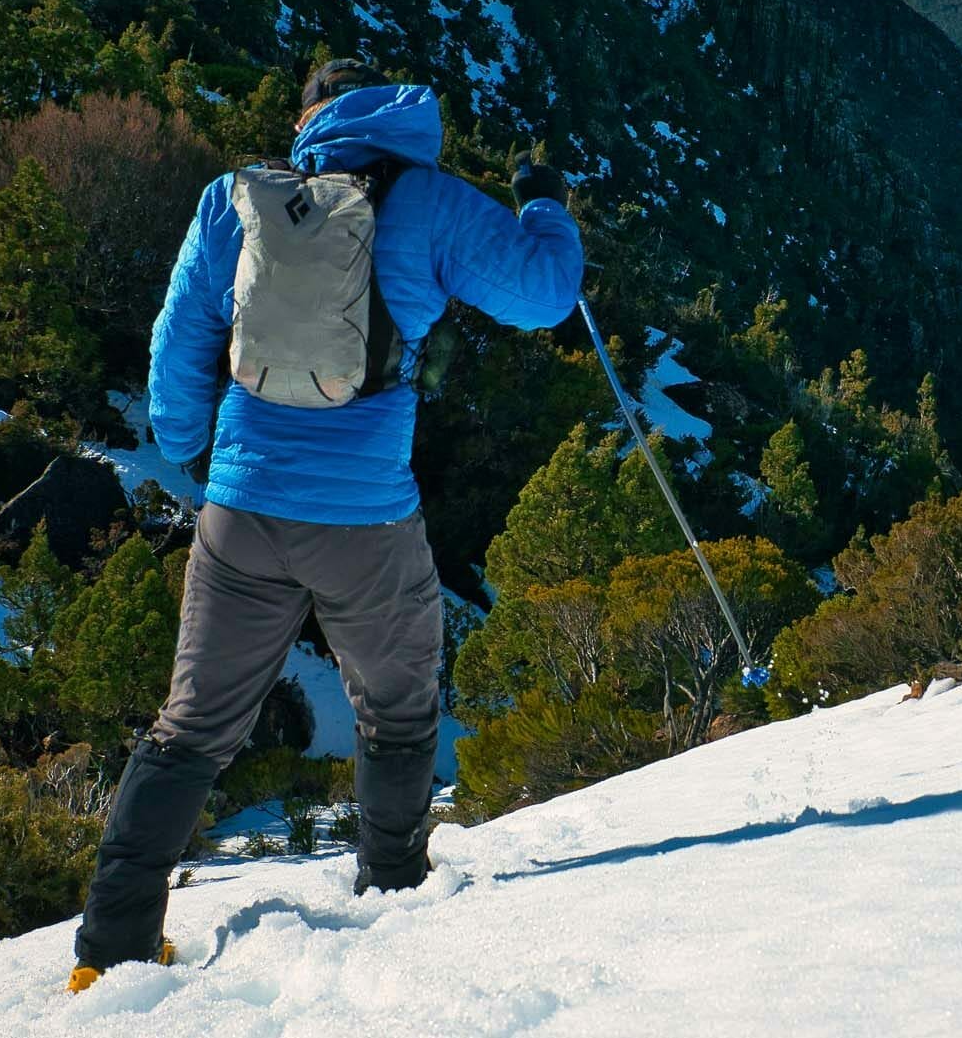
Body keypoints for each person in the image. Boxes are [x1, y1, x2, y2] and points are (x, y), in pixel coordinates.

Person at [67, 59, 584, 990]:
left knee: (189, 731)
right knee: (397, 706)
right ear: (391, 115)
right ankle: (391, 888)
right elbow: (546, 293)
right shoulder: (425, 201)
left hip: (244, 510)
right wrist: (543, 202)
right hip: (367, 521)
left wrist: (196, 451)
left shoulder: (235, 201)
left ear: (307, 118)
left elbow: (178, 341)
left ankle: (110, 951)